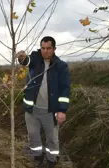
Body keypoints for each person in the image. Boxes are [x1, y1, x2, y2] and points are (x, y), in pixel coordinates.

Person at [17, 36, 70, 168]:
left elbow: (65, 89)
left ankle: (52, 159)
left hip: (50, 111)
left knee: (52, 138)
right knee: (33, 135)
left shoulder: (61, 66)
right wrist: (22, 57)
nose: (45, 51)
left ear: (54, 49)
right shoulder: (35, 59)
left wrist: (62, 110)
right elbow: (26, 61)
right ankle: (38, 156)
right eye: (43, 48)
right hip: (32, 110)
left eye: (48, 48)